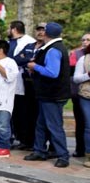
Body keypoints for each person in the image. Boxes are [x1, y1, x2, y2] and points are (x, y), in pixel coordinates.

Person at [24, 22, 72, 168]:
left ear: (46, 33)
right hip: (49, 94)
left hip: (53, 95)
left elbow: (52, 72)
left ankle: (63, 155)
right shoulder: (55, 47)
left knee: (54, 126)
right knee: (41, 124)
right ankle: (39, 150)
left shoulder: (53, 50)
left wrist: (35, 66)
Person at [8, 21, 37, 150]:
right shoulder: (10, 41)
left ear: (13, 29)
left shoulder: (29, 41)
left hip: (24, 83)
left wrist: (19, 59)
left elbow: (23, 59)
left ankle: (27, 140)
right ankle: (19, 138)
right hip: (11, 84)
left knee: (24, 113)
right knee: (15, 114)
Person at [71, 33, 90, 168]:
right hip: (85, 95)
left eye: (88, 40)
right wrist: (88, 75)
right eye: (83, 39)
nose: (85, 42)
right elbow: (76, 78)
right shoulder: (82, 58)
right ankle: (86, 153)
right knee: (87, 125)